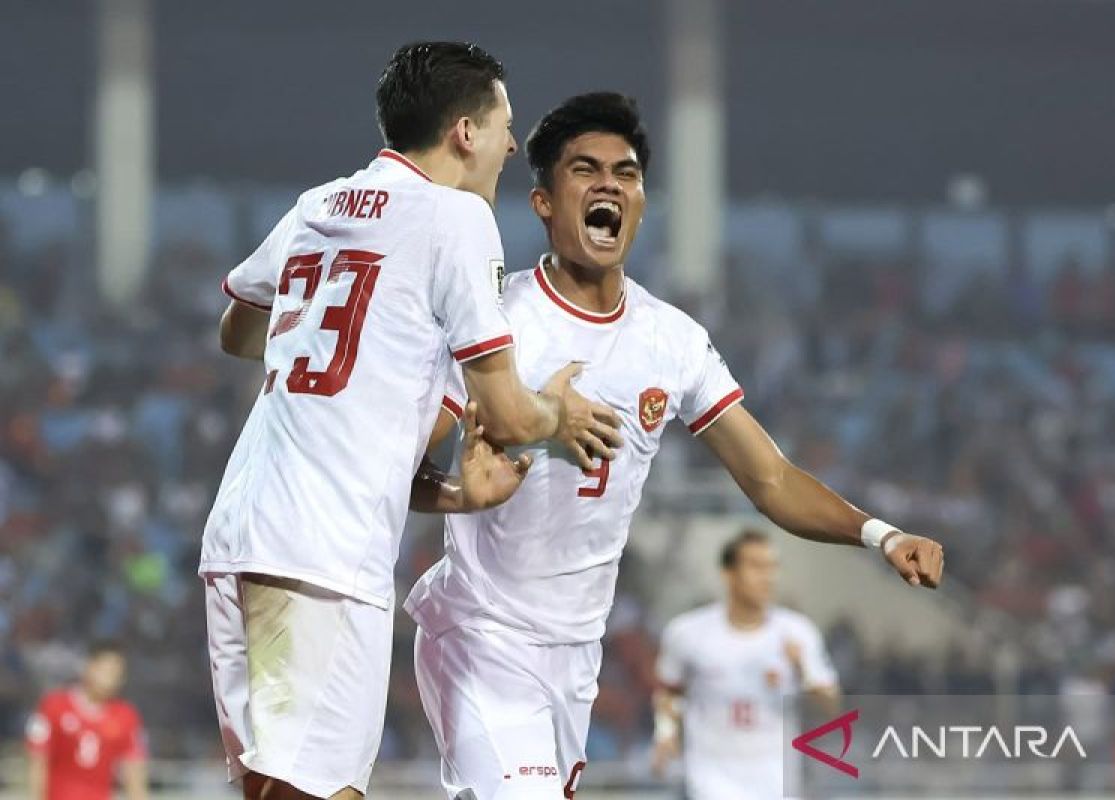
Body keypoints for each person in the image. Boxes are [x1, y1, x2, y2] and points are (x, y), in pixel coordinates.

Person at [404, 92, 945, 800]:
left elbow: (772, 479)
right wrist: (456, 497)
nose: (608, 185)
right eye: (585, 170)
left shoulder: (674, 341)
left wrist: (881, 534)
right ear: (542, 200)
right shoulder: (496, 322)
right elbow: (399, 465)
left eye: (625, 174)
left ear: (641, 201)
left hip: (575, 653)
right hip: (480, 632)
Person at [201, 43, 621, 800]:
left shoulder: (319, 204)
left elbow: (237, 331)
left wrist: (455, 490)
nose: (510, 148)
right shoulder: (454, 217)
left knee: (276, 789)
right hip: (324, 555)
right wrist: (560, 413)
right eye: (504, 127)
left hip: (242, 533)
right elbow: (506, 408)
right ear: (465, 131)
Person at [653, 530, 841, 800]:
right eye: (756, 566)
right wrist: (666, 732)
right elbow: (669, 690)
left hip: (775, 779)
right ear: (728, 573)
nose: (767, 577)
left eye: (772, 567)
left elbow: (831, 709)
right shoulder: (688, 632)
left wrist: (804, 670)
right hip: (709, 776)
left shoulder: (798, 633)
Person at [25, 641, 148, 800]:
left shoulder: (126, 716)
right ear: (89, 667)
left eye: (117, 674)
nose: (110, 679)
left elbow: (135, 774)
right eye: (106, 671)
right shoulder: (54, 706)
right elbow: (38, 762)